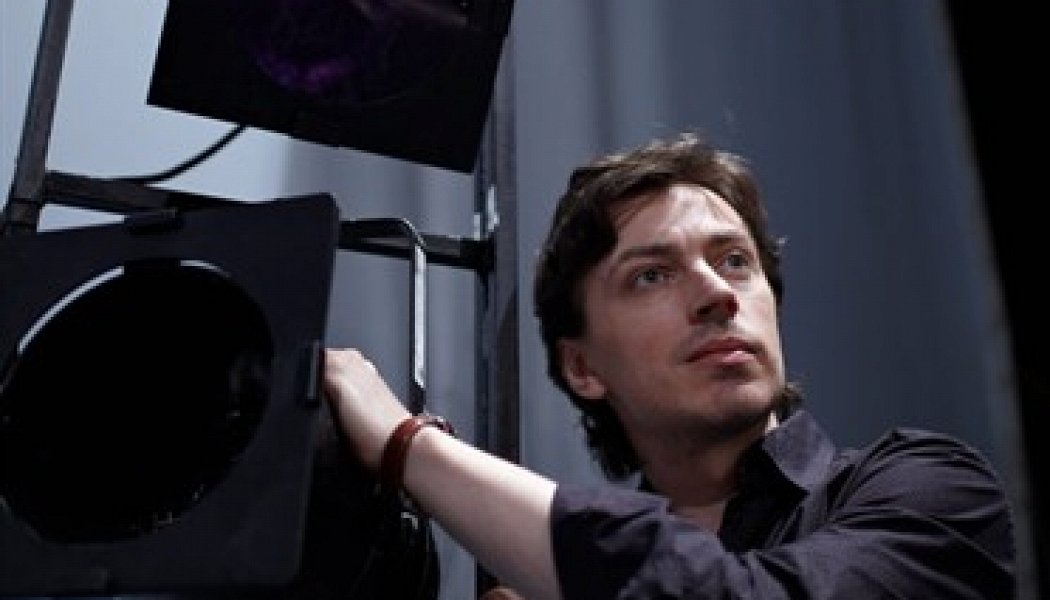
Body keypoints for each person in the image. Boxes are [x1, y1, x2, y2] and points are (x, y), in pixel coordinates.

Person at [323, 133, 1016, 599]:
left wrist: (407, 444)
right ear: (582, 367)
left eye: (735, 260)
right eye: (651, 275)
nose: (717, 294)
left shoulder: (933, 489)